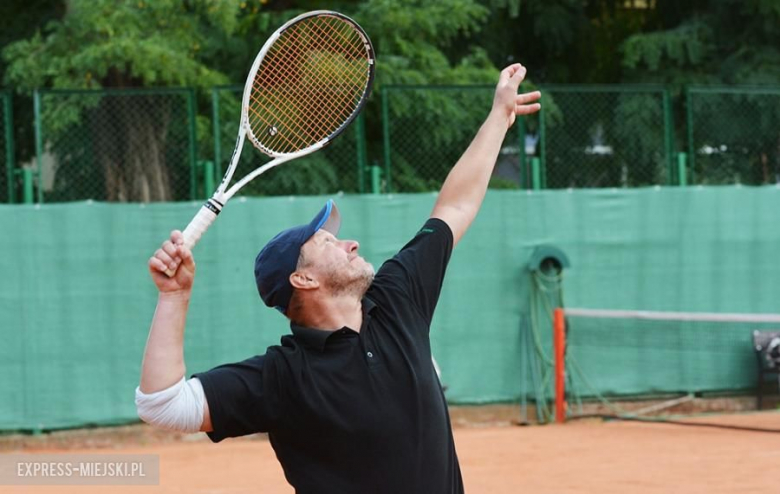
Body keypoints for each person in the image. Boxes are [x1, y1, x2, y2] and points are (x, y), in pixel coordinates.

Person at [136, 63, 541, 493]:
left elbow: (454, 207)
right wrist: (173, 297)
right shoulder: (284, 376)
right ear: (303, 279)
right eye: (327, 242)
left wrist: (499, 117)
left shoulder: (396, 299)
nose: (350, 244)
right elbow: (162, 404)